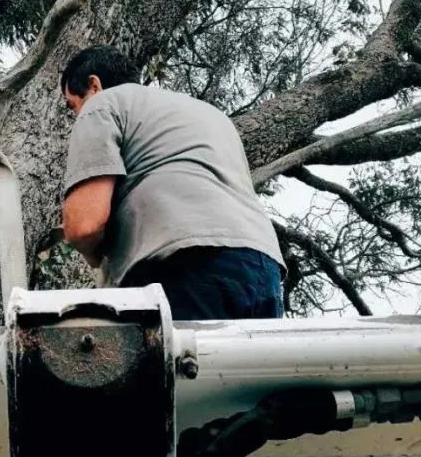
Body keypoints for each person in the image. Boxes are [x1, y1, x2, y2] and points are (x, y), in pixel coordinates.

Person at [60, 44, 285, 321]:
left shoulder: (103, 103)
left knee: (178, 364)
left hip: (182, 265)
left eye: (73, 105)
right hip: (262, 268)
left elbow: (84, 226)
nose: (76, 116)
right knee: (249, 364)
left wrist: (90, 249)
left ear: (94, 85)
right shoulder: (211, 115)